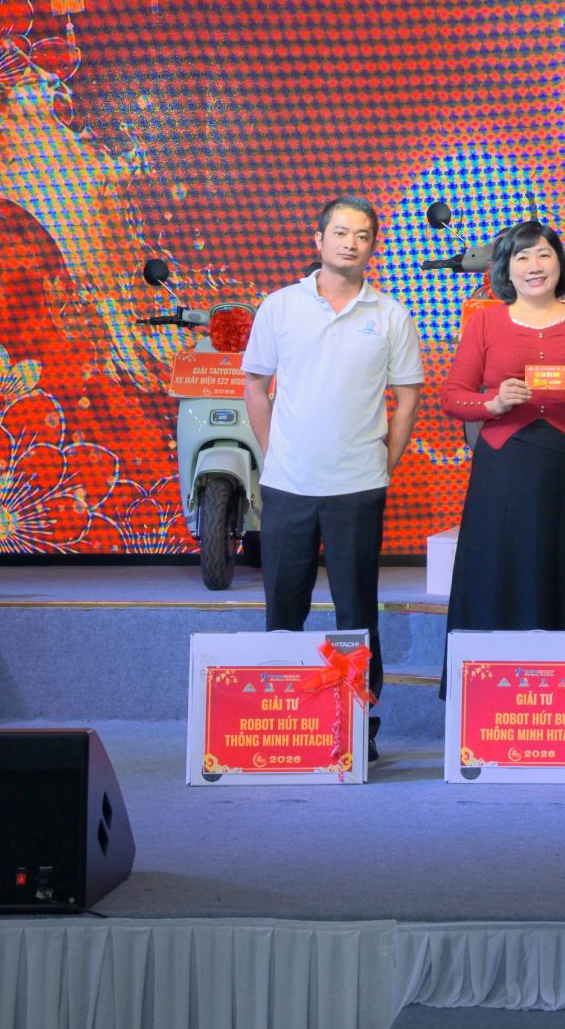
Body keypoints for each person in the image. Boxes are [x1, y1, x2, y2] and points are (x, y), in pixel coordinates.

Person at [240, 197, 422, 755]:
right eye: (340, 232)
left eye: (362, 235)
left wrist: (384, 463)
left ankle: (360, 723)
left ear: (373, 246)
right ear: (318, 240)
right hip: (288, 485)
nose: (351, 243)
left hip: (357, 487)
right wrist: (274, 455)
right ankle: (282, 719)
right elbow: (255, 385)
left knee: (356, 609)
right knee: (283, 606)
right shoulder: (280, 305)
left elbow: (408, 397)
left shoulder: (390, 314)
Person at [439, 220, 565, 646]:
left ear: (561, 263)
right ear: (506, 269)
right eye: (521, 257)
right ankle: (490, 674)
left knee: (563, 574)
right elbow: (452, 397)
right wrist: (493, 403)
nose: (534, 266)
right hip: (501, 468)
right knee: (494, 573)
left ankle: (562, 678)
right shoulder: (485, 323)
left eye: (544, 254)